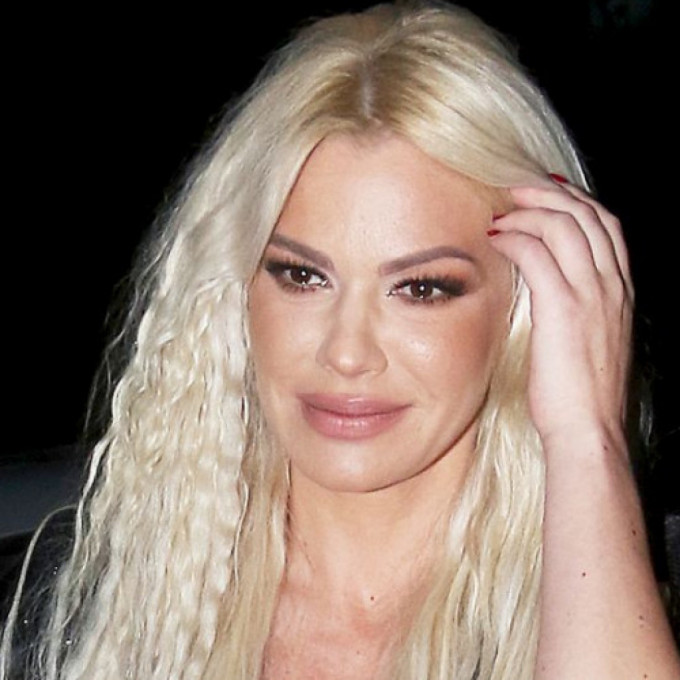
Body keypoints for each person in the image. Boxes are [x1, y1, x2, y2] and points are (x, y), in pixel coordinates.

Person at [2, 2, 678, 679]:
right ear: (236, 288)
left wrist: (585, 435)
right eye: (302, 276)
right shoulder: (83, 609)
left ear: (529, 304)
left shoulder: (604, 608)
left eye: (420, 288)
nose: (347, 353)